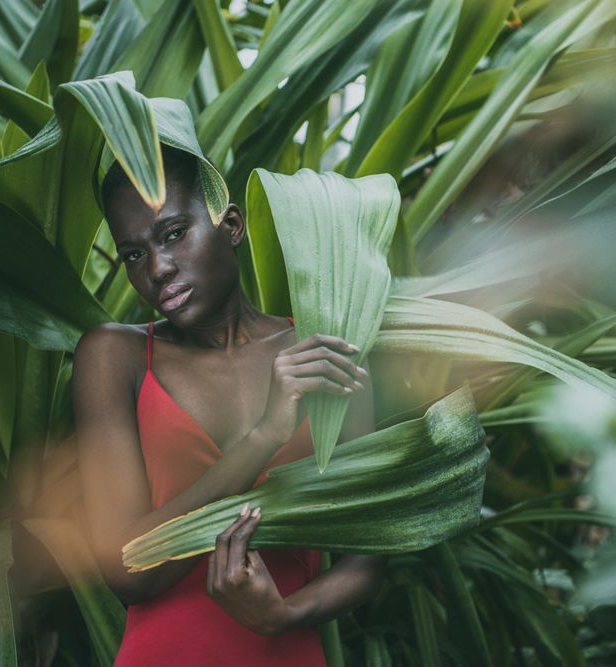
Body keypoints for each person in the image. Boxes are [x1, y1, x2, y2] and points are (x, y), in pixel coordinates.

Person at [73, 144, 386, 665]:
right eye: (134, 253)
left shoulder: (323, 355)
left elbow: (370, 555)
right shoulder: (115, 356)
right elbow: (128, 571)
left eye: (174, 234)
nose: (158, 268)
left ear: (232, 225)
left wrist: (284, 616)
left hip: (288, 650)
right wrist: (264, 436)